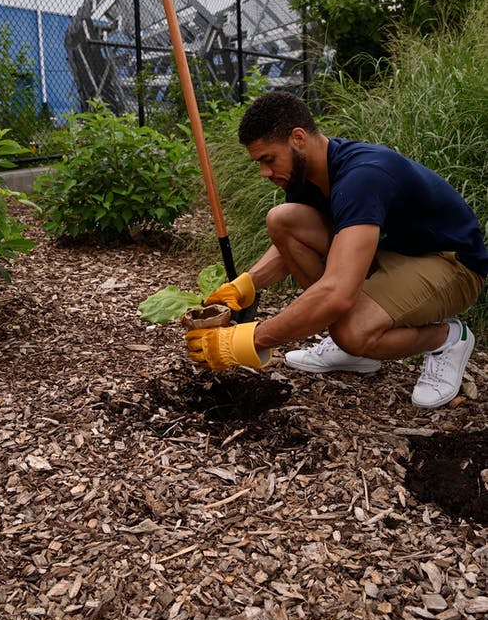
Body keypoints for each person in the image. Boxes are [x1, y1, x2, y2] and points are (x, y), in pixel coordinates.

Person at [185, 91, 487, 408]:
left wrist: (246, 340)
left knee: (351, 330)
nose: (264, 172)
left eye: (268, 159)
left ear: (298, 138)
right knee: (283, 220)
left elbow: (337, 293)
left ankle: (448, 339)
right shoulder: (306, 177)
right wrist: (245, 284)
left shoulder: (361, 177)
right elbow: (293, 242)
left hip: (451, 263)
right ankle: (355, 351)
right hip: (393, 252)